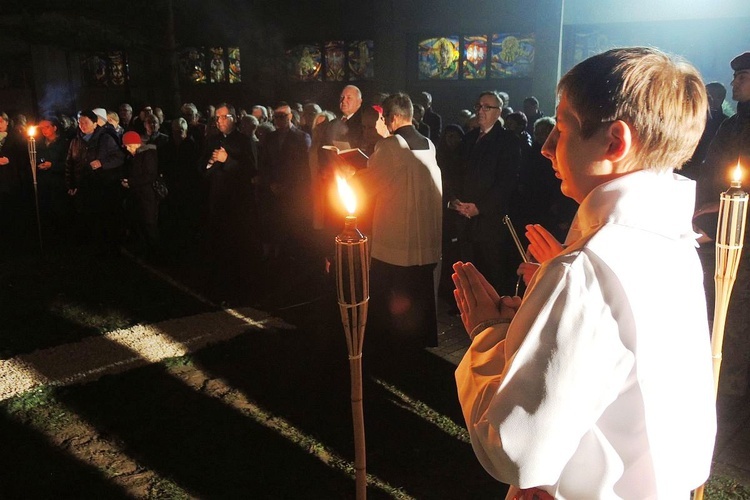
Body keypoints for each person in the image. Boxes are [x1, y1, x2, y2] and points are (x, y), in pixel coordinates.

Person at [452, 47, 716, 498]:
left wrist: (489, 333)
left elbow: (515, 450)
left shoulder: (587, 269)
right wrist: (541, 315)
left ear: (615, 142)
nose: (546, 146)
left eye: (561, 127)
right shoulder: (674, 245)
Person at [353, 92, 443, 350]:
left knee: (394, 298)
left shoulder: (390, 146)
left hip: (396, 242)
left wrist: (351, 173)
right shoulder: (428, 143)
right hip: (423, 241)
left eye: (381, 118)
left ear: (390, 118)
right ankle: (419, 342)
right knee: (418, 295)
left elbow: (370, 184)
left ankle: (391, 346)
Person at [696, 51, 750, 396]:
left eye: (742, 77)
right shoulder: (732, 124)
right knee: (722, 305)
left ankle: (734, 384)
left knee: (740, 309)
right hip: (719, 230)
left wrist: (725, 202)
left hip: (742, 230)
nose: (734, 83)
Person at [448, 90, 521, 295]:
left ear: (498, 112)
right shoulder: (469, 139)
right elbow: (455, 172)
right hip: (464, 217)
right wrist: (455, 200)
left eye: (486, 107)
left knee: (491, 273)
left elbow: (506, 182)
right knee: (468, 271)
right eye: (478, 106)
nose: (481, 111)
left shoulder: (507, 141)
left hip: (490, 221)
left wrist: (479, 207)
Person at [121, 131, 160, 259]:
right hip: (139, 194)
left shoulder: (147, 155)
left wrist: (131, 182)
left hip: (147, 195)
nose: (127, 149)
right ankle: (145, 250)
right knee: (140, 222)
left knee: (148, 223)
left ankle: (154, 252)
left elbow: (149, 175)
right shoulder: (136, 155)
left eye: (129, 145)